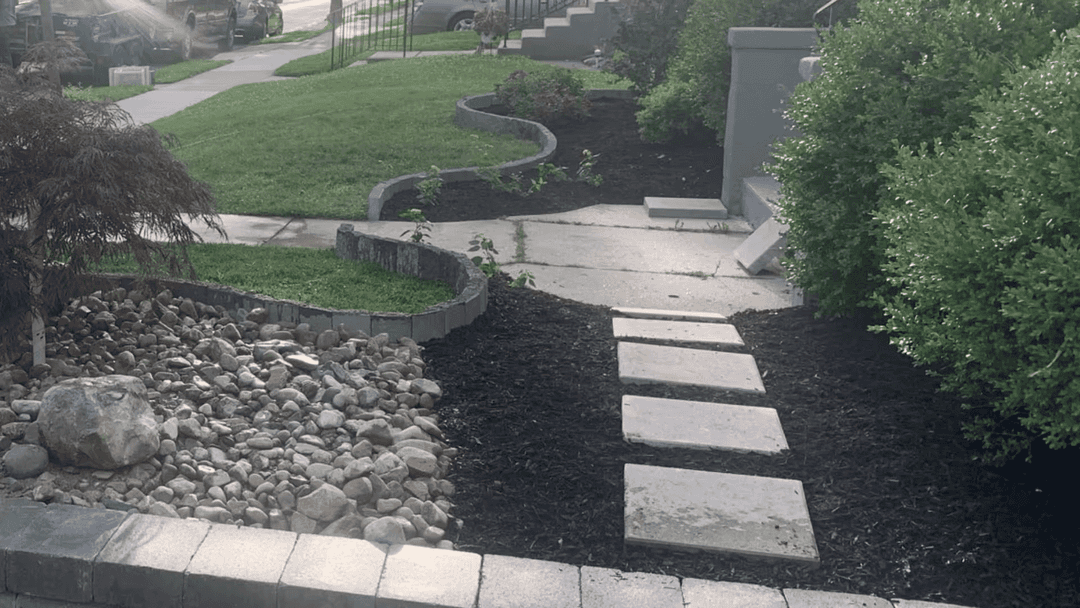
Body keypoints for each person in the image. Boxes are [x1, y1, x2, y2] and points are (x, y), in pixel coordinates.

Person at [0, 0, 15, 69]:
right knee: (5, 48)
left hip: (4, 23)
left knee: (4, 49)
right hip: (9, 22)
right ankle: (7, 68)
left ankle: (7, 69)